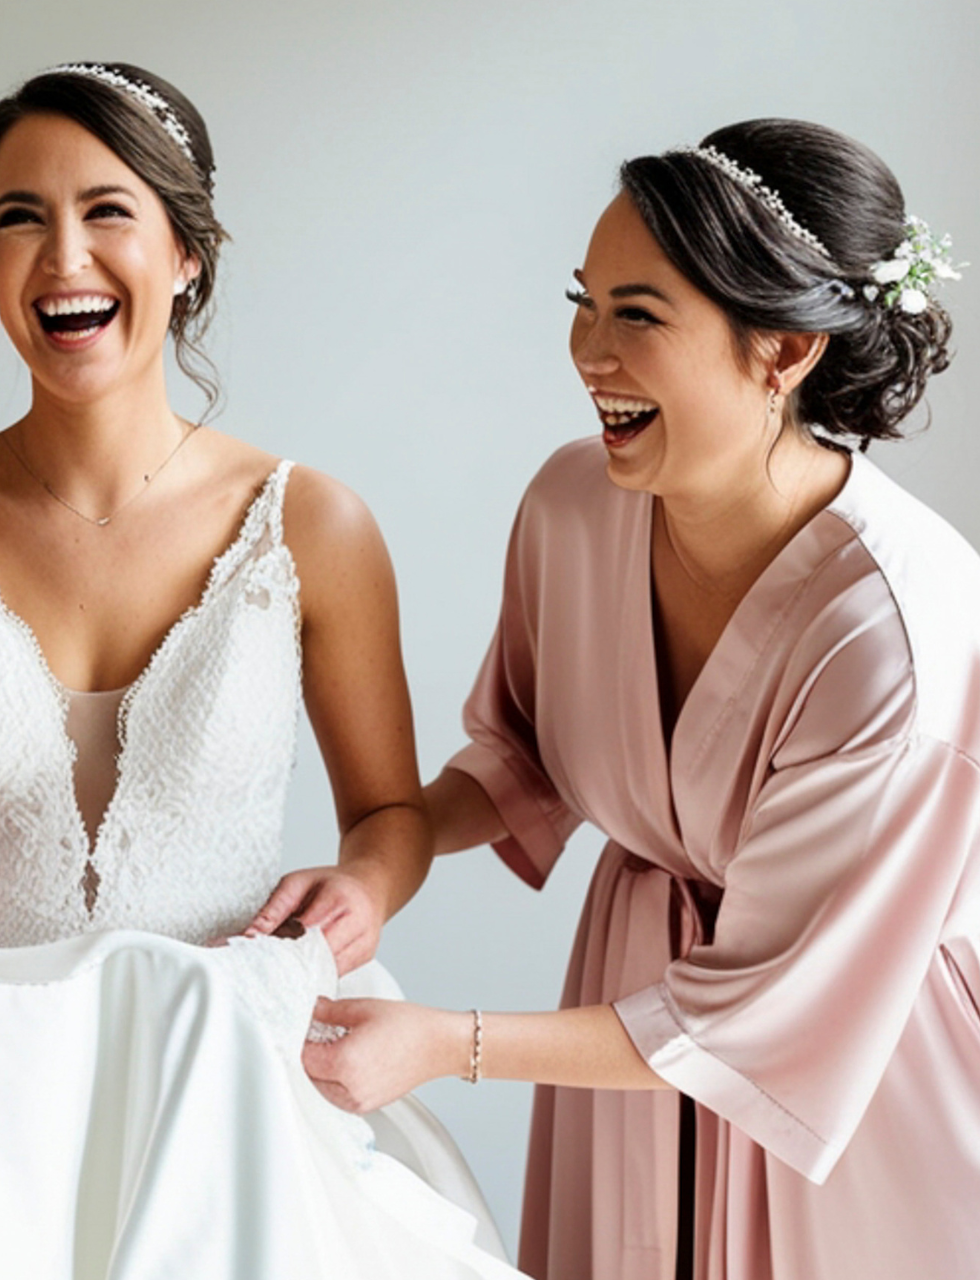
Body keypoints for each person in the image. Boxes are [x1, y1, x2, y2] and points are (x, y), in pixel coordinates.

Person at [0, 63, 519, 1280]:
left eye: (107, 210)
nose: (62, 255)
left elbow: (388, 812)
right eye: (21, 219)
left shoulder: (314, 525)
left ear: (188, 252)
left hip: (231, 1089)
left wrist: (366, 894)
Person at [303, 119, 980, 1280]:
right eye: (584, 300)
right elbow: (520, 757)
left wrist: (443, 1045)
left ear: (781, 354)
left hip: (853, 1065)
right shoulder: (573, 506)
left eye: (639, 314)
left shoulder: (900, 632)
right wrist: (381, 852)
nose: (588, 350)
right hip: (629, 1027)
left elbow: (773, 1009)